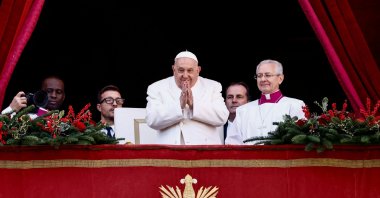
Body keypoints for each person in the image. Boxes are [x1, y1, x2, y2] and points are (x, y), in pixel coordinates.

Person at [145, 50, 229, 145]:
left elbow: (222, 117)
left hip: (204, 149)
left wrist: (194, 105)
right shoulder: (157, 88)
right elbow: (152, 120)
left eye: (190, 70)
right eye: (181, 70)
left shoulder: (212, 86)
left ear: (198, 70)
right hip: (170, 150)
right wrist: (179, 106)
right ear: (173, 69)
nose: (185, 75)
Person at [225, 59, 306, 145]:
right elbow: (232, 143)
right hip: (249, 158)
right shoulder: (243, 110)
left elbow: (300, 140)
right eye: (259, 76)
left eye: (268, 75)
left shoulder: (295, 105)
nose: (263, 79)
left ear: (280, 78)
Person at [1, 75, 66, 115]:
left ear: (64, 97)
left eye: (59, 92)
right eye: (49, 91)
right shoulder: (26, 117)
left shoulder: (69, 124)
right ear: (40, 93)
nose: (54, 95)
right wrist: (11, 109)